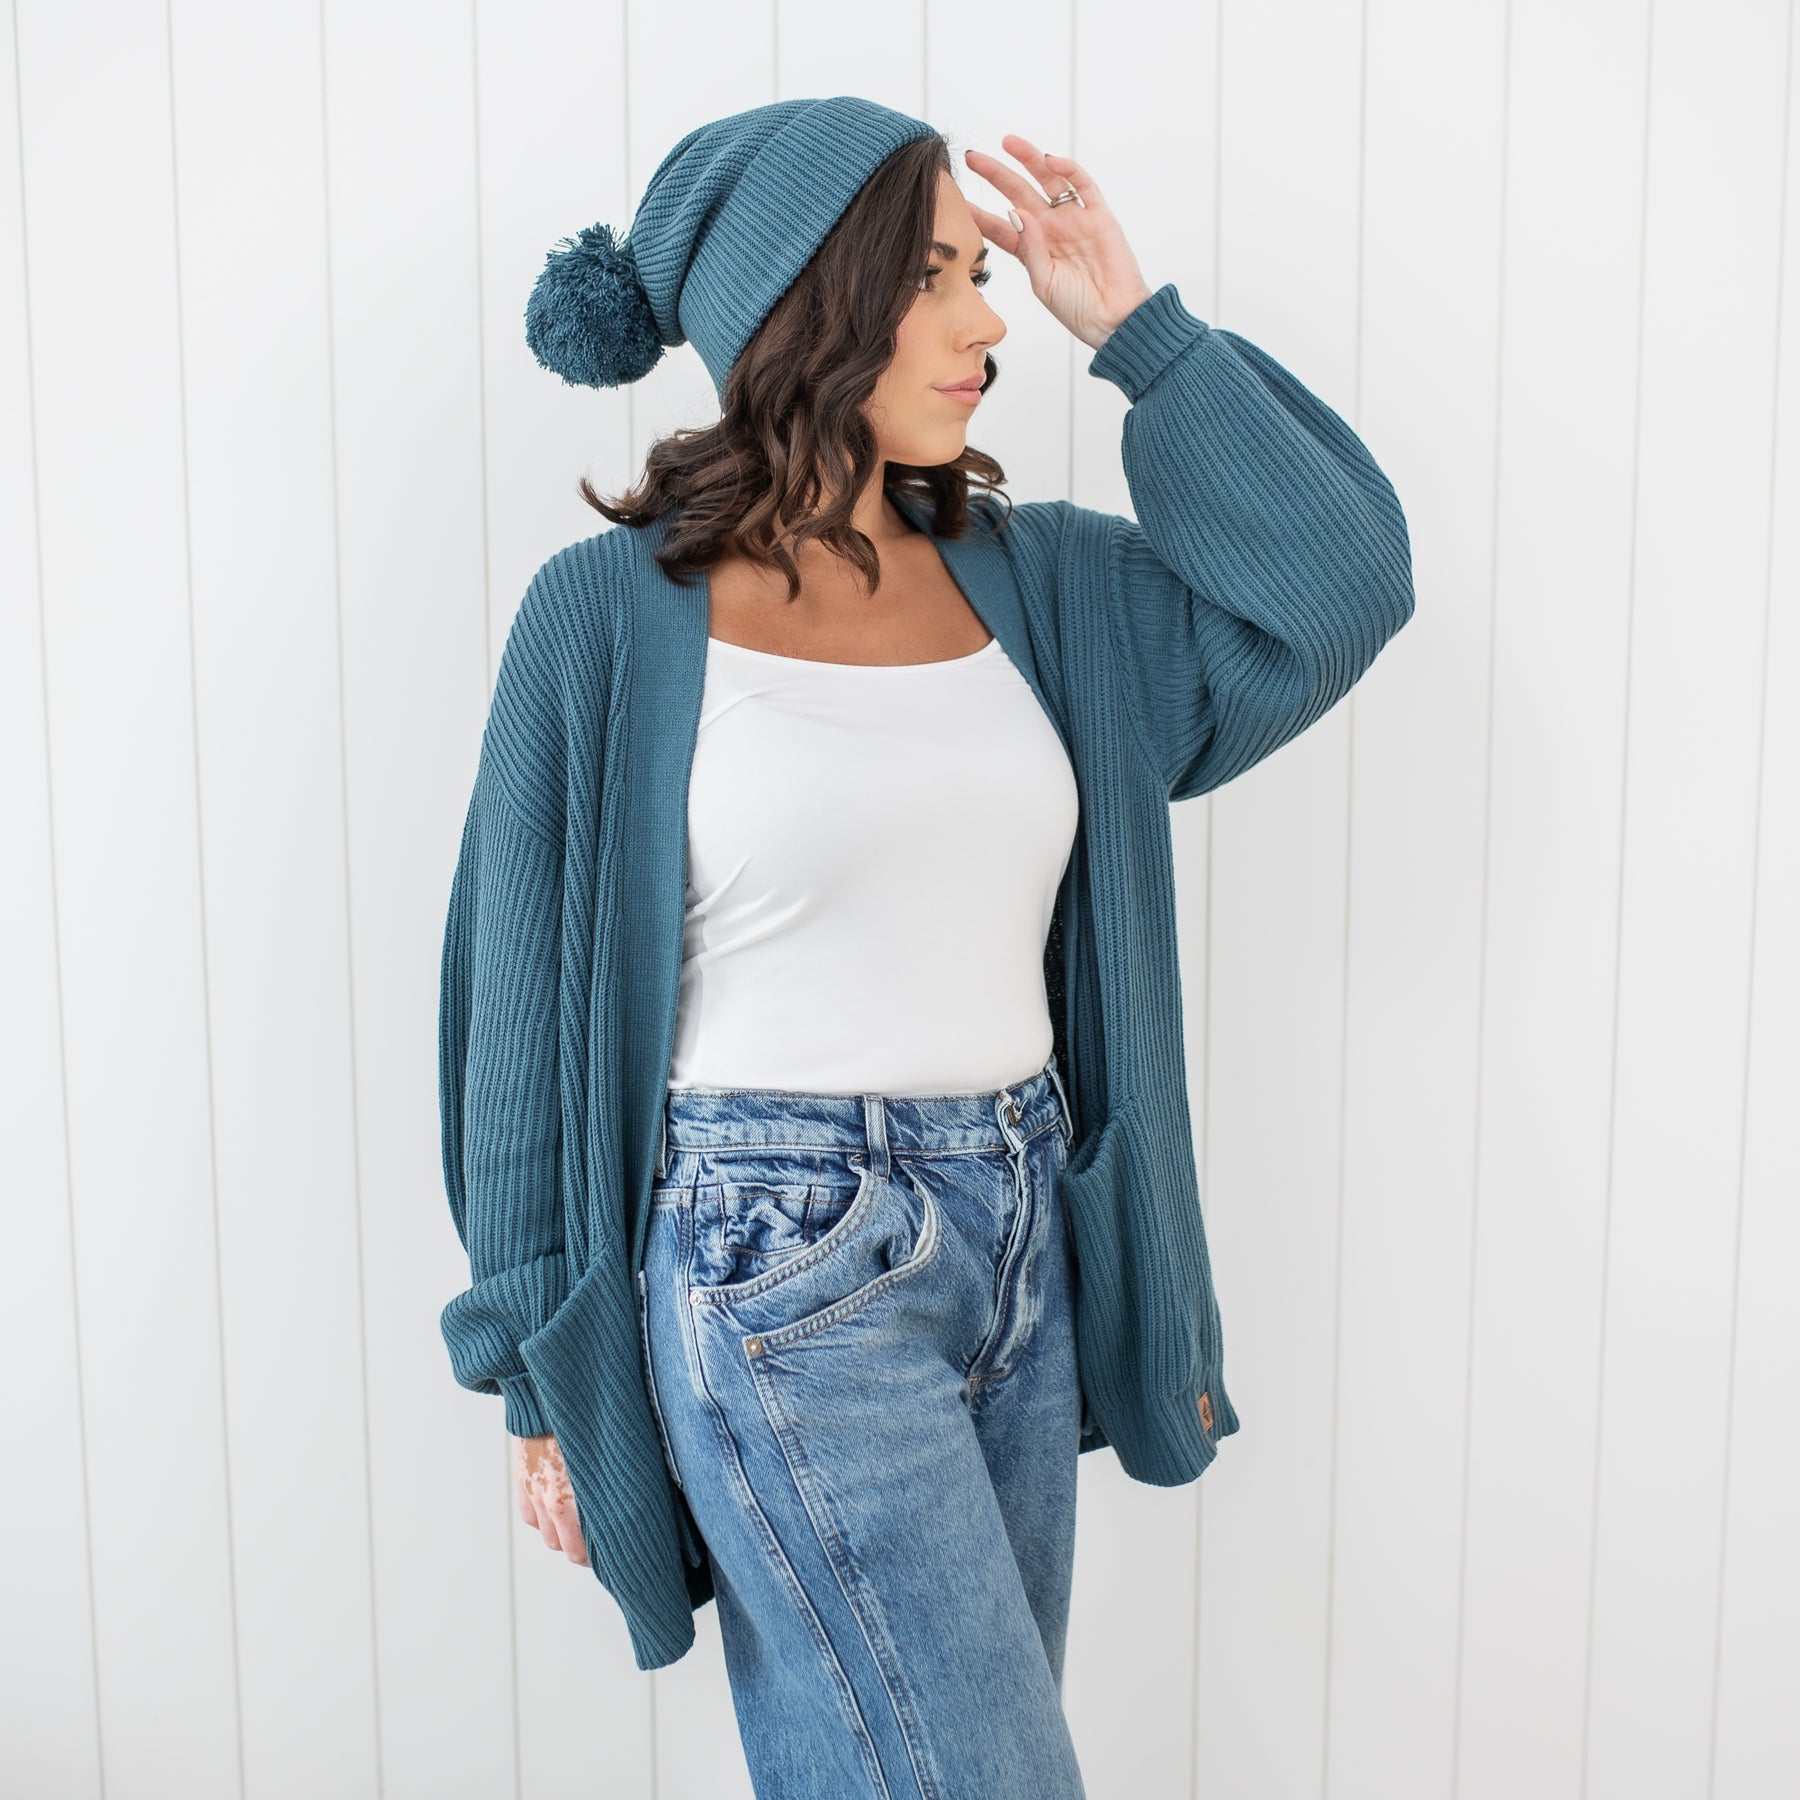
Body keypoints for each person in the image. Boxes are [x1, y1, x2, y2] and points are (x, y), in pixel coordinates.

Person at [438, 95, 1415, 1800]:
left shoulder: (1050, 586)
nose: (989, 322)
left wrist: (1144, 336)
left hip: (1023, 1245)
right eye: (940, 280)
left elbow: (1340, 590)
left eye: (987, 276)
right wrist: (535, 1367)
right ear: (811, 306)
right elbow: (512, 1020)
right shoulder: (601, 621)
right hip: (777, 1262)